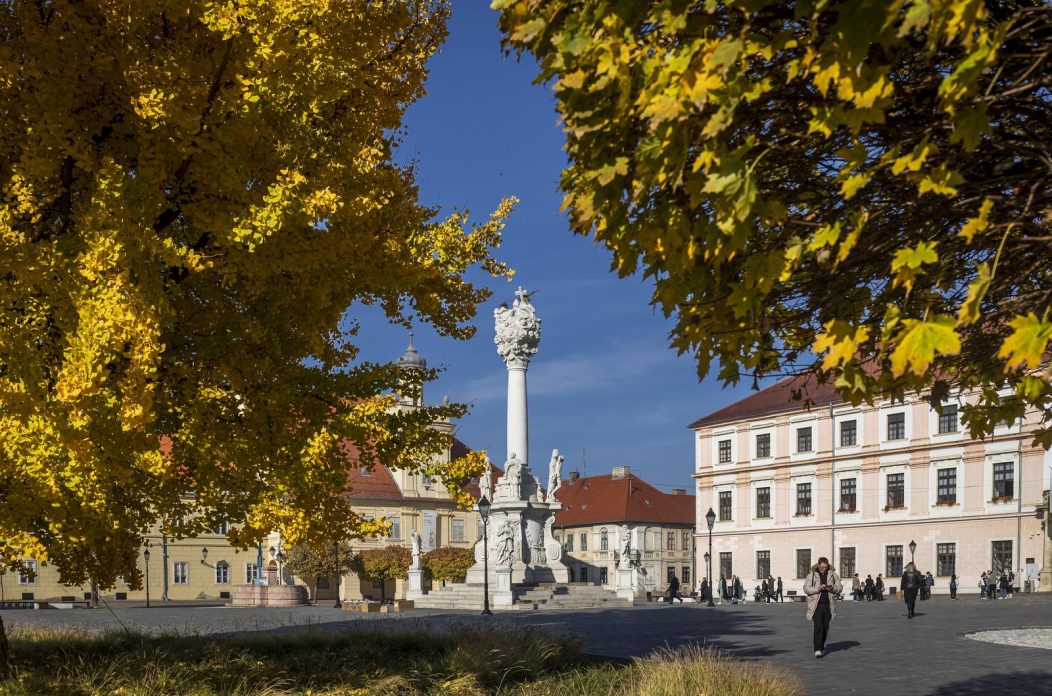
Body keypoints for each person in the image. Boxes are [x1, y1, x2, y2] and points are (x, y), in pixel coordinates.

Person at [803, 556, 843, 658]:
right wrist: (818, 589)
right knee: (818, 626)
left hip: (829, 604)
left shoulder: (833, 575)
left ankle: (821, 646)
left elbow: (839, 588)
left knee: (826, 627)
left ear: (828, 566)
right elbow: (806, 589)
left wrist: (832, 588)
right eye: (822, 567)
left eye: (825, 567)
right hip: (816, 605)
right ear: (818, 565)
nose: (823, 569)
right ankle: (817, 649)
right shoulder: (811, 576)